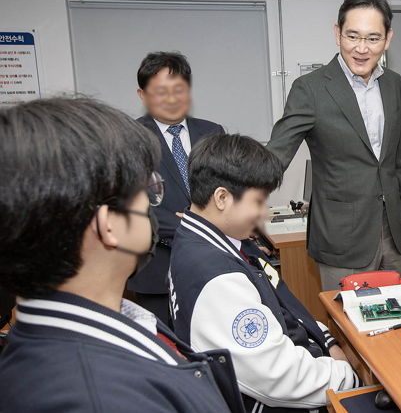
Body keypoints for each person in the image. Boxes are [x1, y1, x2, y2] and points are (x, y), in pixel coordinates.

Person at [0, 97, 244, 412]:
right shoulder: (100, 398)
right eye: (147, 188)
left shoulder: (64, 340)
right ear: (109, 224)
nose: (153, 203)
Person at [169, 133, 359, 413]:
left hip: (304, 360)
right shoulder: (216, 277)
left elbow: (282, 305)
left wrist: (326, 340)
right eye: (258, 201)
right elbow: (279, 377)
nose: (265, 213)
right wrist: (349, 377)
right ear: (222, 197)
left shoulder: (209, 240)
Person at [266, 0, 401, 291]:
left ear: (387, 39)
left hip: (393, 231)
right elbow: (276, 153)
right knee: (348, 325)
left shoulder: (394, 84)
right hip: (341, 237)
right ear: (337, 34)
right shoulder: (309, 88)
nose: (362, 48)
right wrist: (238, 195)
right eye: (353, 36)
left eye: (373, 38)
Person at [128, 51, 224, 324]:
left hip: (211, 264)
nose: (171, 99)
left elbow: (227, 189)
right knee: (166, 353)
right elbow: (132, 204)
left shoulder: (212, 132)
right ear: (142, 95)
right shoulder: (130, 139)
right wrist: (196, 223)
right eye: (160, 91)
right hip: (158, 267)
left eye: (178, 89)